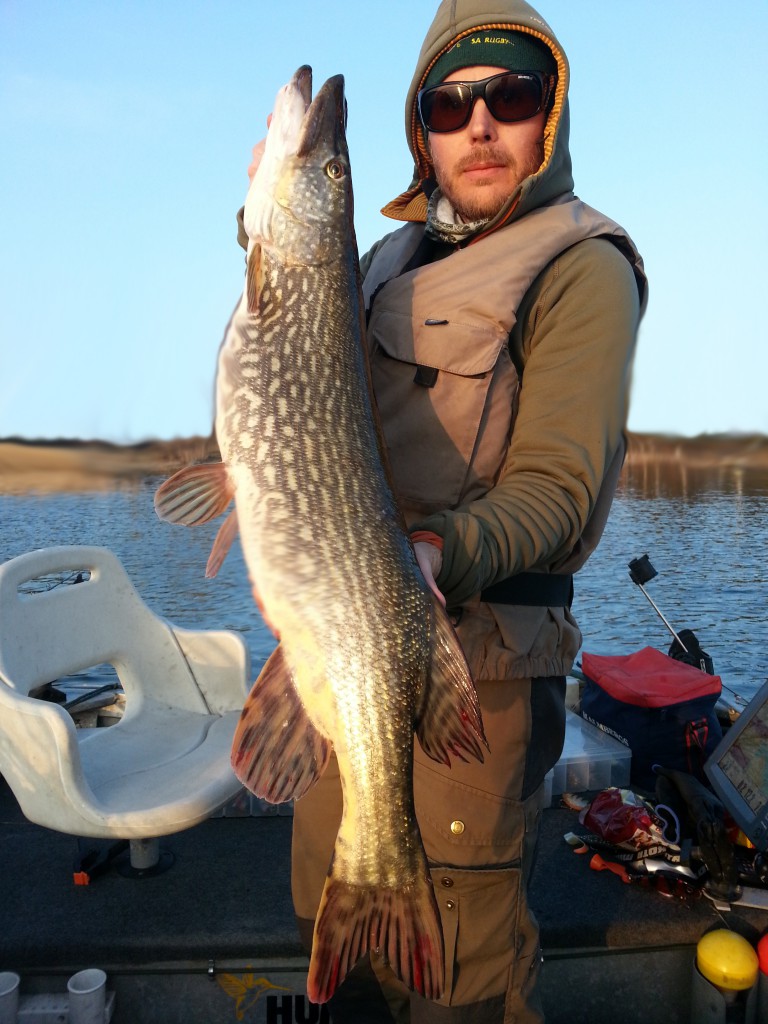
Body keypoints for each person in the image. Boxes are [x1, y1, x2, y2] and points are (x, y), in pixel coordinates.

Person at [240, 1, 647, 1020]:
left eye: (509, 97)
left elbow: (559, 493)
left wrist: (436, 549)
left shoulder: (580, 266)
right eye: (448, 104)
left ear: (545, 116)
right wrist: (268, 219)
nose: (478, 124)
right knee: (332, 905)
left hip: (481, 664)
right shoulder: (384, 262)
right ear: (421, 129)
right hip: (339, 642)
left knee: (453, 977)